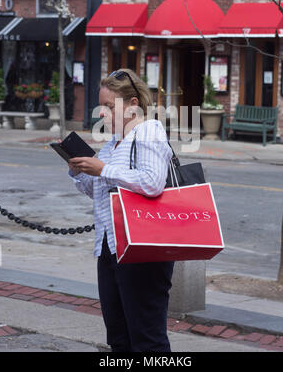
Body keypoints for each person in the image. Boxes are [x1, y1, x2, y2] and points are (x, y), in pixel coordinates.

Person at [68, 69, 174, 352]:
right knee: (118, 336)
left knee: (146, 338)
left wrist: (104, 169)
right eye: (100, 106)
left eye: (109, 106)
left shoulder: (148, 131)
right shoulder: (113, 144)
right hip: (111, 246)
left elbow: (152, 183)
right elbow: (97, 190)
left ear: (133, 105)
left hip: (142, 247)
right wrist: (80, 171)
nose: (102, 113)